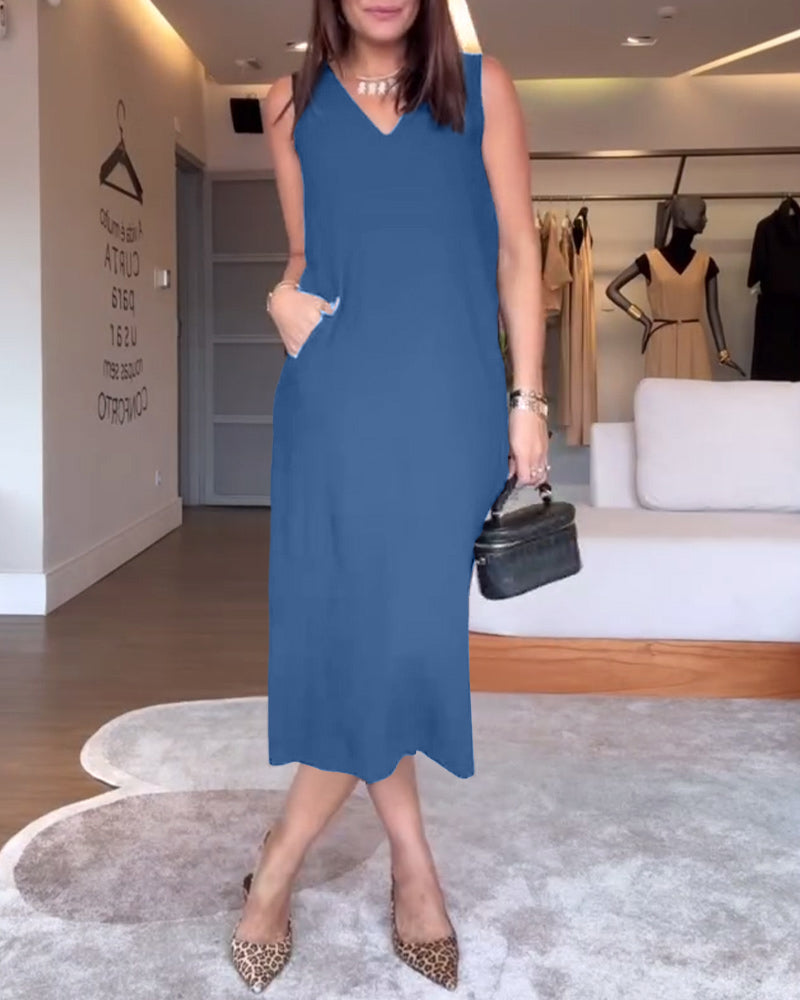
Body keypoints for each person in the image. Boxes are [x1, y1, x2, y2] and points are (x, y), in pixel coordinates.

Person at [230, 0, 548, 992]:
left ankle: (278, 864)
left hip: (449, 411)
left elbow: (517, 252)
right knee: (356, 639)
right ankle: (415, 871)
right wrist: (279, 299)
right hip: (333, 403)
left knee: (398, 641)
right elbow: (302, 255)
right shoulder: (288, 103)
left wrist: (528, 399)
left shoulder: (481, 88)